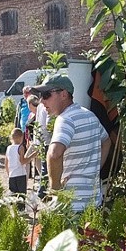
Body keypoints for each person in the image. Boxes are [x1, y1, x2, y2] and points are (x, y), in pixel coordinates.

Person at [33, 74, 110, 212]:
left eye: (46, 95)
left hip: (71, 204)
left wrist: (55, 188)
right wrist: (95, 169)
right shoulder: (89, 115)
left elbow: (54, 154)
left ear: (63, 94)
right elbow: (107, 142)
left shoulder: (65, 119)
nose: (42, 101)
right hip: (93, 200)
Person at [5, 128, 36, 209]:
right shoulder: (20, 147)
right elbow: (22, 161)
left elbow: (6, 163)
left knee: (13, 194)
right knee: (21, 195)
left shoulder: (8, 148)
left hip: (12, 175)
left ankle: (13, 210)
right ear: (21, 137)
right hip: (20, 174)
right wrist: (32, 155)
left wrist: (9, 173)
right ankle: (21, 210)